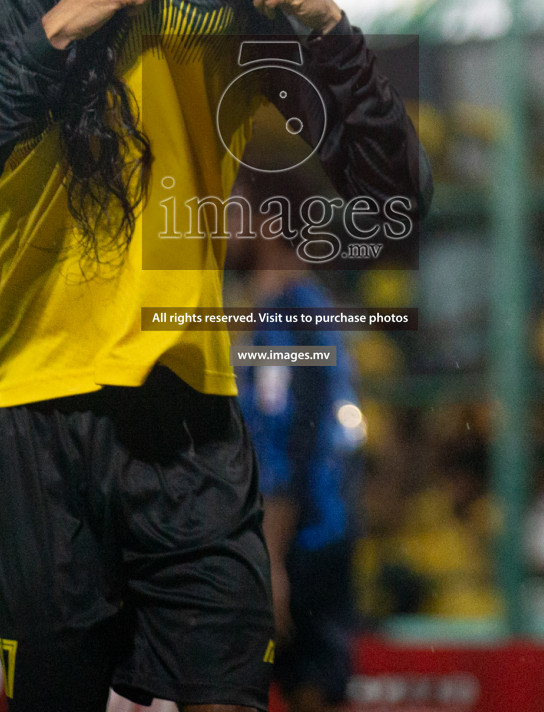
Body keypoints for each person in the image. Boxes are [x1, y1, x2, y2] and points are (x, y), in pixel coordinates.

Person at [0, 0, 429, 712]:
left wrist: (333, 34)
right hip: (45, 418)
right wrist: (56, 35)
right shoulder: (32, 10)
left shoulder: (251, 33)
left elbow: (399, 199)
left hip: (195, 423)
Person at [231, 200, 363, 712]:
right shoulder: (313, 309)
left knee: (307, 687)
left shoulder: (285, 319)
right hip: (321, 533)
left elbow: (287, 444)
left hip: (298, 543)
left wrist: (274, 559)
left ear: (268, 224)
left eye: (234, 209)